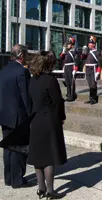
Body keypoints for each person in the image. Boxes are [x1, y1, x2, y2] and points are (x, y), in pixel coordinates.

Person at [28, 51, 67, 199]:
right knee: (50, 156)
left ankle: (41, 189)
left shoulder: (32, 80)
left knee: (38, 156)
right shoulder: (50, 80)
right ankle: (50, 191)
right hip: (50, 120)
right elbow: (58, 102)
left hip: (35, 119)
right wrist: (62, 117)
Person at [0, 44, 32, 188]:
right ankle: (17, 179)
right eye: (26, 54)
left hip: (4, 116)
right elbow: (26, 97)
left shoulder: (3, 71)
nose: (27, 57)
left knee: (8, 148)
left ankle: (8, 178)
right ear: (21, 55)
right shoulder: (22, 72)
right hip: (18, 117)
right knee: (19, 149)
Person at [81, 35, 102, 104]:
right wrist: (83, 52)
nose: (89, 44)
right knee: (90, 84)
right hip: (88, 68)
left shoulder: (97, 53)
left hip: (93, 69)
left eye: (90, 43)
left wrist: (98, 72)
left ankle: (94, 99)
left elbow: (100, 63)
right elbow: (82, 58)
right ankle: (91, 98)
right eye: (89, 43)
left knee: (93, 84)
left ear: (94, 44)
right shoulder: (87, 52)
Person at [60, 37, 79, 101]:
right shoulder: (66, 52)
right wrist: (63, 52)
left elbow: (76, 62)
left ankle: (72, 96)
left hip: (71, 68)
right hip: (66, 68)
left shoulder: (74, 52)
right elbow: (61, 58)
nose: (67, 45)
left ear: (72, 45)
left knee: (71, 83)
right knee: (67, 82)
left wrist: (75, 70)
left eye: (69, 44)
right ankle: (68, 95)